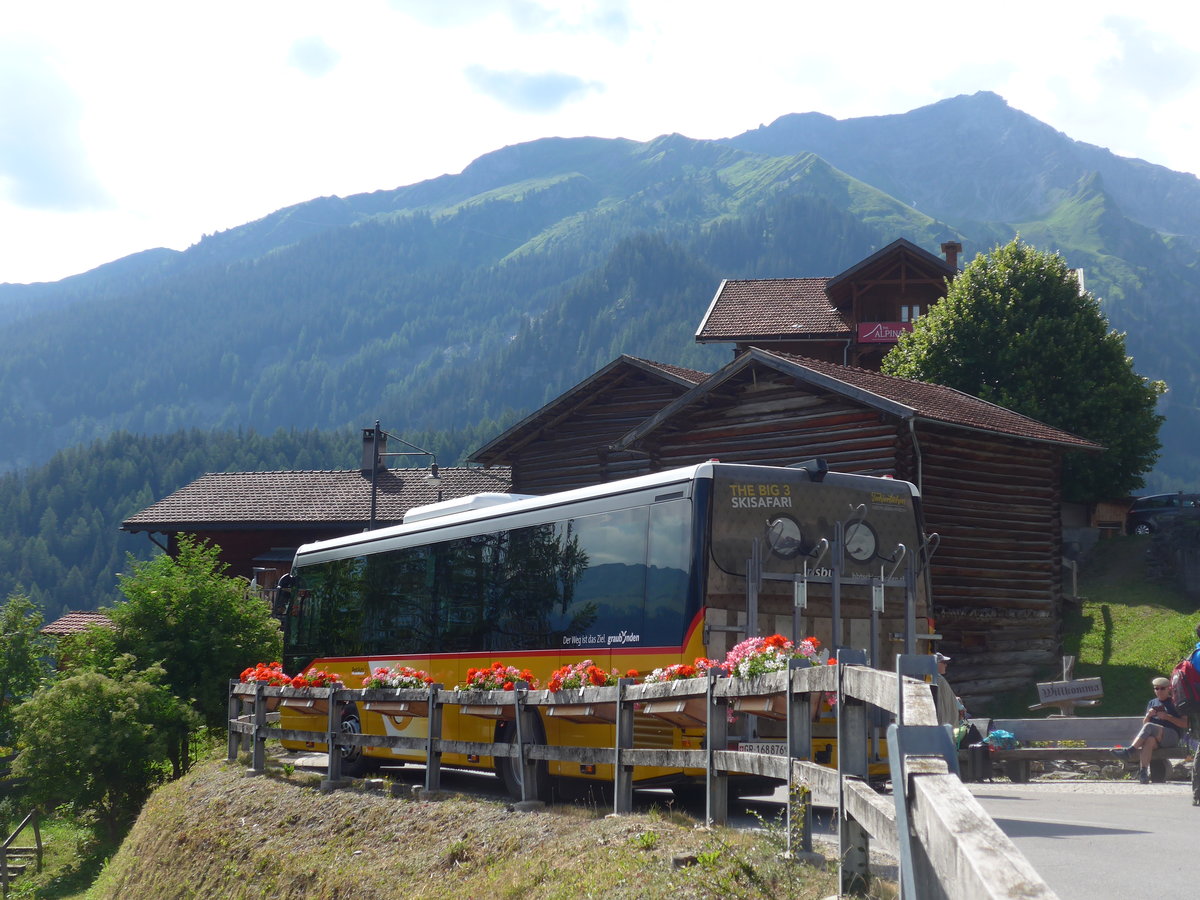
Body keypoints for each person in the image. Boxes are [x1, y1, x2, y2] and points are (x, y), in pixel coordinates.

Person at [1112, 676, 1187, 784]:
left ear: (1169, 689)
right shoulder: (1152, 703)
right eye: (1156, 688)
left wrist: (1167, 717)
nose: (1159, 691)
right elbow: (1145, 724)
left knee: (1150, 727)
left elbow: (1185, 723)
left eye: (1162, 688)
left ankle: (1130, 751)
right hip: (1157, 738)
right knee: (1149, 740)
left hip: (1172, 736)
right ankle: (1143, 773)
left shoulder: (1176, 703)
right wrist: (1148, 716)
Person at [933, 652, 967, 729]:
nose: (946, 665)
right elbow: (950, 698)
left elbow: (949, 696)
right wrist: (961, 707)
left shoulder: (937, 678)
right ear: (936, 663)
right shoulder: (939, 680)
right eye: (943, 662)